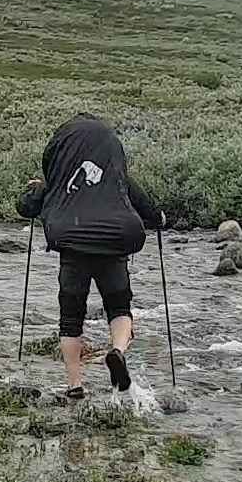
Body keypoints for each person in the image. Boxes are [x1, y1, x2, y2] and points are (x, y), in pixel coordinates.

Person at [17, 114, 163, 397]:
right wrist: (160, 218)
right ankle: (117, 351)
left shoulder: (59, 179)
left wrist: (31, 191)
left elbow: (27, 207)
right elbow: (145, 205)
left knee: (70, 320)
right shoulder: (116, 176)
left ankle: (75, 385)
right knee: (119, 308)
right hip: (114, 244)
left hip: (72, 246)